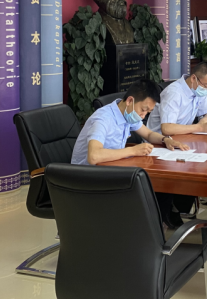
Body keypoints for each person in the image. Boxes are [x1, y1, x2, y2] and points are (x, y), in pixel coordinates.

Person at [70, 79, 192, 228]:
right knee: (149, 192)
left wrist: (165, 140)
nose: (143, 116)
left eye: (148, 112)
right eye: (143, 110)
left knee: (160, 189)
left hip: (110, 171)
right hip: (87, 179)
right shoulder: (103, 119)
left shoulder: (127, 113)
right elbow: (93, 156)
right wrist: (133, 150)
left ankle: (154, 232)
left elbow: (148, 134)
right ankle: (145, 232)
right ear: (130, 101)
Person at [147, 61, 207, 135]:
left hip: (181, 136)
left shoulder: (198, 90)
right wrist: (200, 127)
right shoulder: (174, 93)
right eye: (206, 85)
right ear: (193, 78)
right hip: (158, 139)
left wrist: (203, 124)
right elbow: (167, 129)